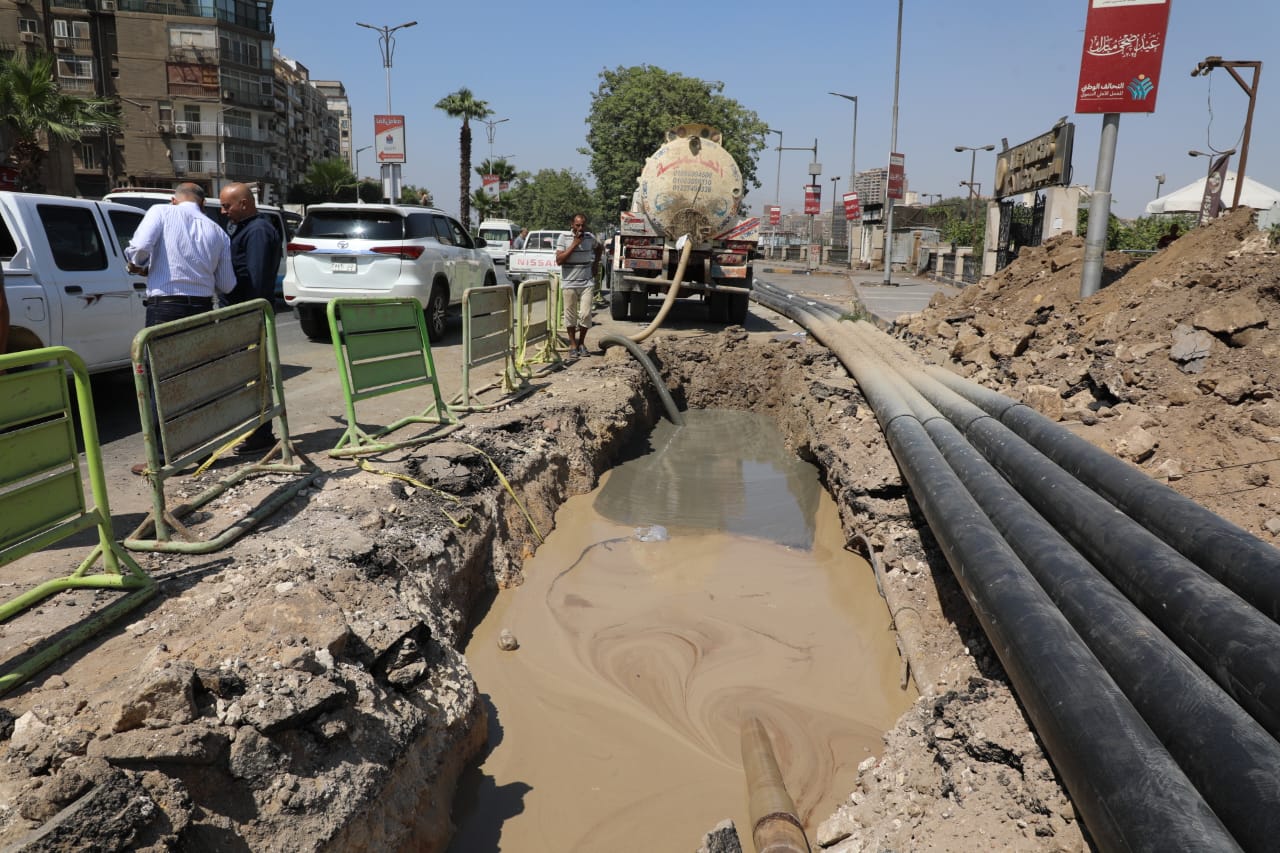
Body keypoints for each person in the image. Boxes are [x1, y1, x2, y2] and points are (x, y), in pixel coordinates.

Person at [125, 182, 235, 474]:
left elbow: (140, 248)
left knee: (159, 382)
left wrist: (136, 264)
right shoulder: (218, 231)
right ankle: (203, 449)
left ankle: (161, 457)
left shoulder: (160, 211)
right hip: (201, 309)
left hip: (165, 308)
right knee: (197, 378)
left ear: (174, 200)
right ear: (202, 204)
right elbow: (227, 284)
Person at [219, 182, 283, 455]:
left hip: (250, 317)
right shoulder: (247, 228)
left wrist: (250, 316)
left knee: (255, 377)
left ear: (243, 204)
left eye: (227, 206)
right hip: (244, 316)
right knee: (250, 377)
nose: (223, 211)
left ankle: (261, 434)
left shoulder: (257, 231)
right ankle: (257, 431)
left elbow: (257, 279)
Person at [555, 214, 602, 357]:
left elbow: (599, 248)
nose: (580, 228)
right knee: (570, 316)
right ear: (572, 225)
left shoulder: (589, 237)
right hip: (569, 282)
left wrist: (595, 264)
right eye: (577, 225)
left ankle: (581, 343)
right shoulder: (564, 238)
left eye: (583, 225)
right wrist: (574, 244)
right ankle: (573, 345)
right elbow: (559, 260)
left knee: (586, 314)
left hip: (586, 282)